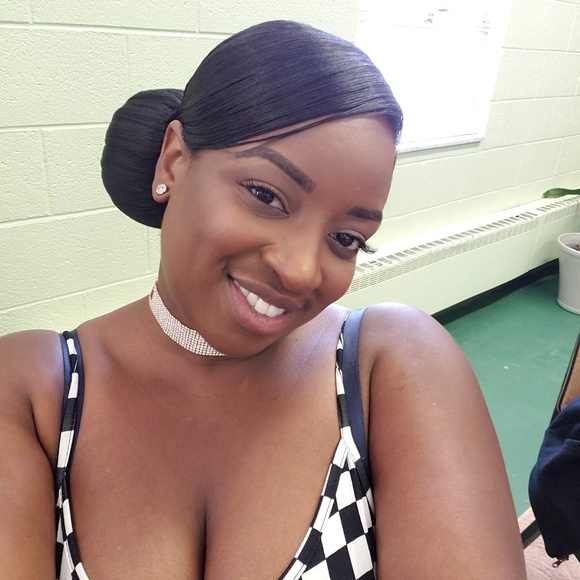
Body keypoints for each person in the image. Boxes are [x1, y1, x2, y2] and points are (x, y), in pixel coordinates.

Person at [0, 20, 525, 579]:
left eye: (346, 238)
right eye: (266, 195)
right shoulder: (35, 391)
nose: (301, 272)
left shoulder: (389, 367)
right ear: (173, 161)